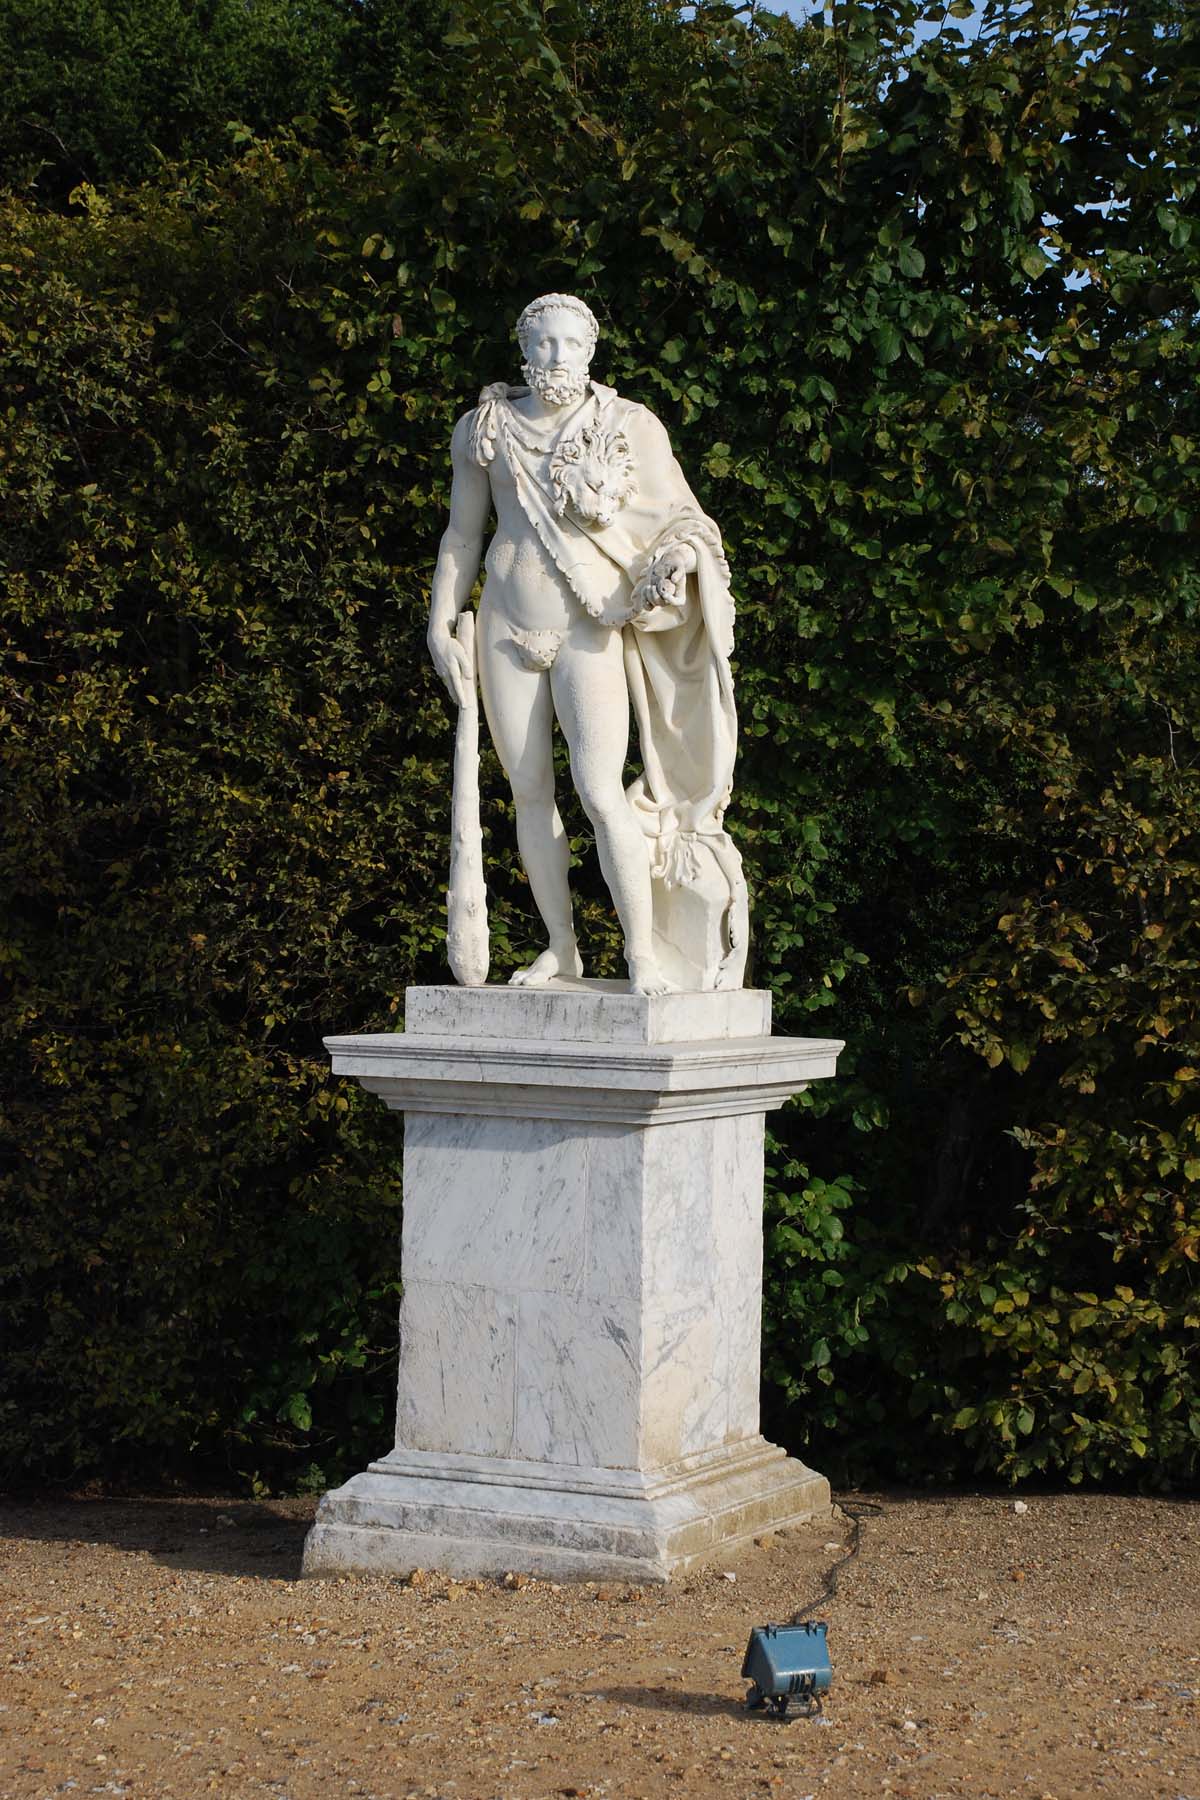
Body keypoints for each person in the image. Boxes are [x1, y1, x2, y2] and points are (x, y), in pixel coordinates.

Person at [427, 292, 747, 995]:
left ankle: (641, 954)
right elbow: (462, 534)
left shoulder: (628, 425)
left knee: (600, 793)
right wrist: (440, 619)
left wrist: (680, 560)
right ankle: (563, 947)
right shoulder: (483, 429)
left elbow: (681, 519)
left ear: (591, 351)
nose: (557, 357)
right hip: (505, 628)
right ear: (523, 349)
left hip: (588, 627)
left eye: (570, 344)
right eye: (543, 343)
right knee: (529, 792)